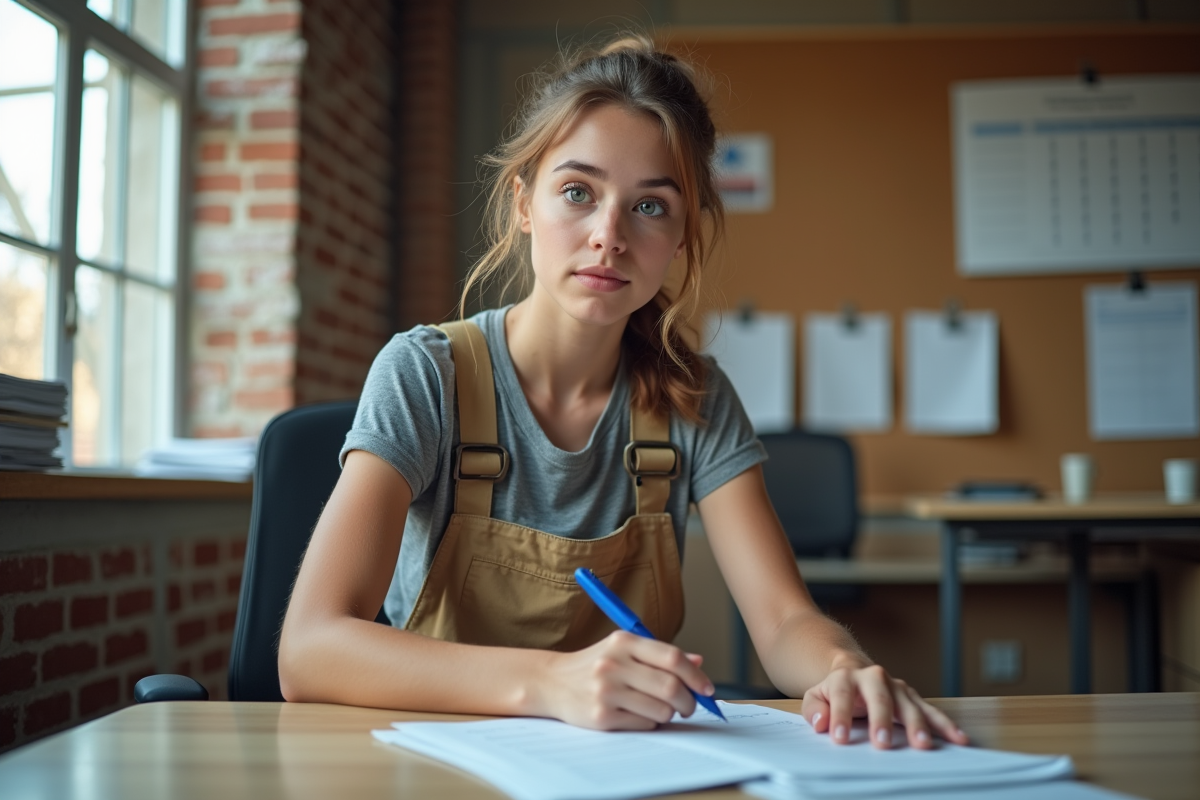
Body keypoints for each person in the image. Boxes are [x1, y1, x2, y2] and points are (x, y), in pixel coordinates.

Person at [278, 34, 966, 751]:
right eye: (577, 192)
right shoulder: (427, 374)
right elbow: (311, 648)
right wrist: (552, 683)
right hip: (438, 764)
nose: (608, 236)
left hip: (626, 771)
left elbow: (784, 621)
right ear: (522, 203)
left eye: (650, 208)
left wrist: (843, 666)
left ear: (680, 240)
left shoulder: (695, 397)